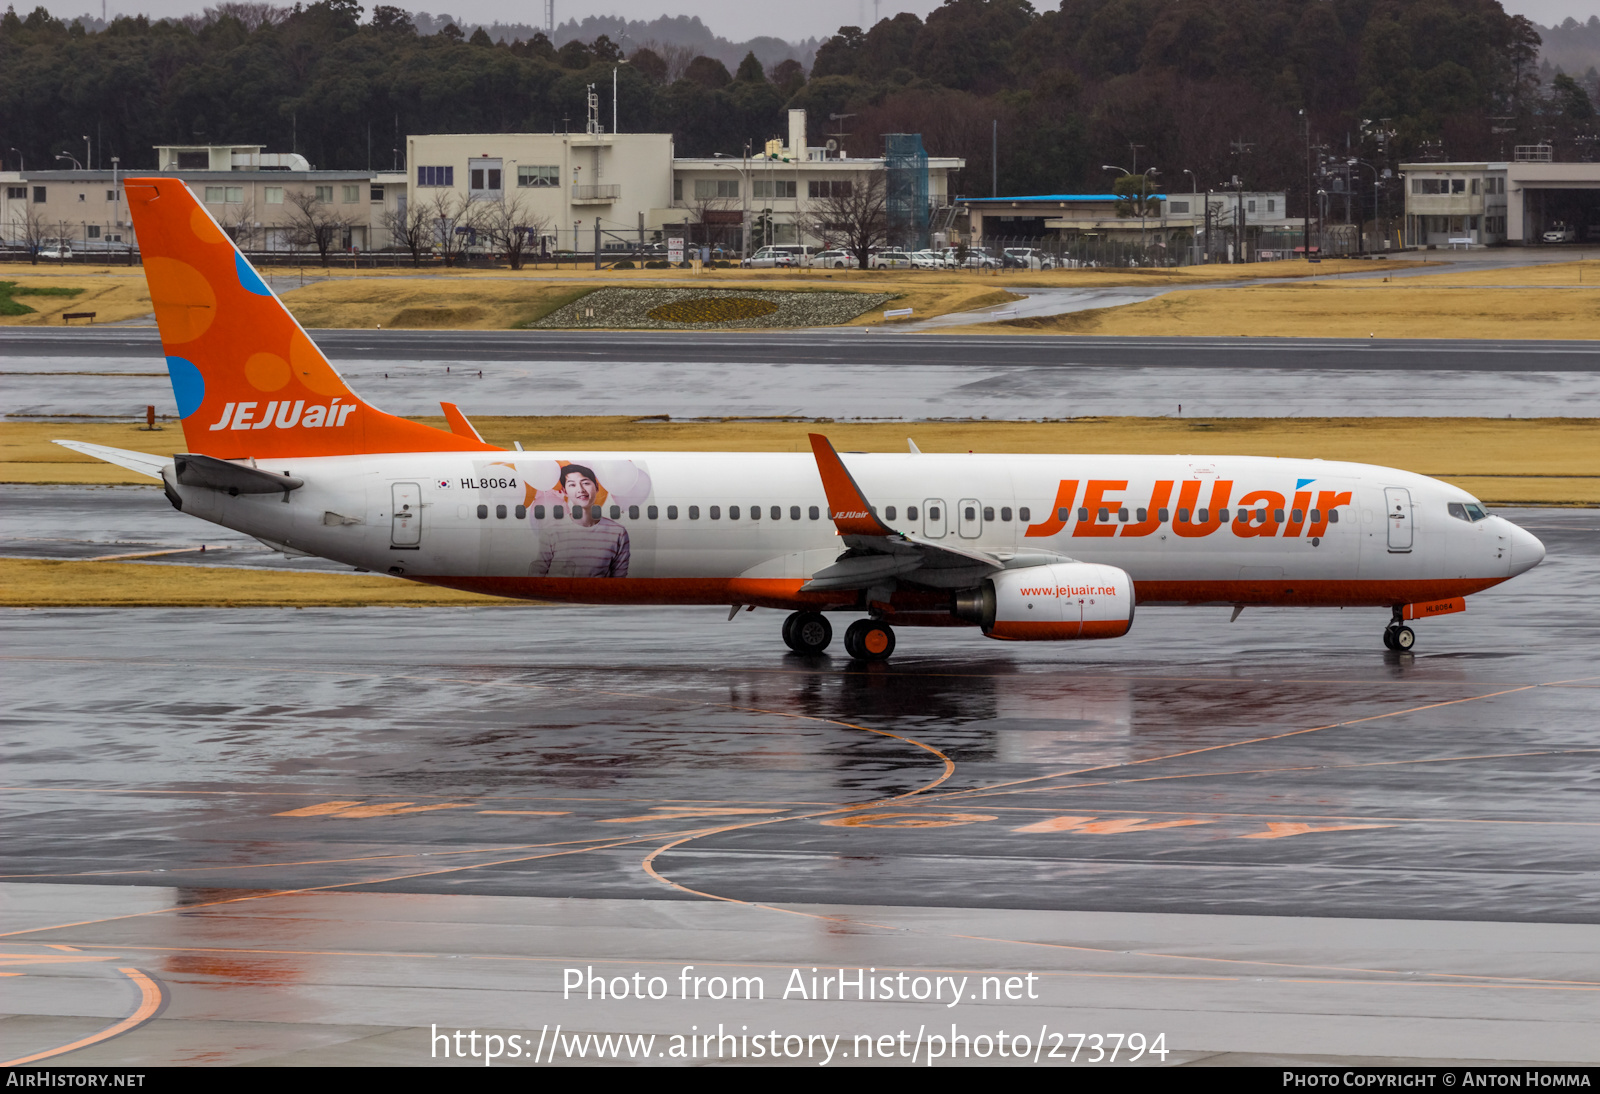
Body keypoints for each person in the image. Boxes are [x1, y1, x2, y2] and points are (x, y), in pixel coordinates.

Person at [529, 464, 630, 578]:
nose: (581, 490)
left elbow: (618, 580)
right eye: (572, 484)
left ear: (596, 487)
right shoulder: (551, 531)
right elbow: (536, 573)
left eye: (586, 483)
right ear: (565, 491)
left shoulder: (618, 533)